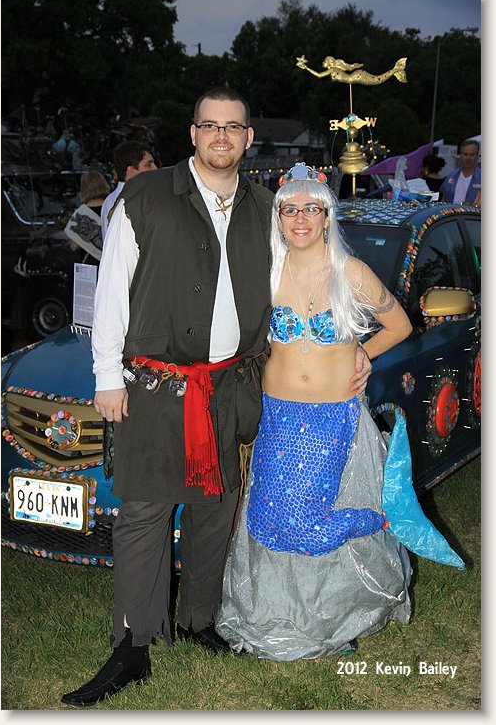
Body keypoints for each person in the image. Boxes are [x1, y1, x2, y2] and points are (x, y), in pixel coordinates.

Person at [60, 91, 372, 707]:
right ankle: (133, 645)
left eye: (233, 127)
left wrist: (354, 342)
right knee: (145, 514)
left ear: (249, 137)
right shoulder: (145, 198)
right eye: (210, 125)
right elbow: (112, 288)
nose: (221, 136)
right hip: (156, 386)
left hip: (231, 388)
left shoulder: (266, 207)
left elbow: (311, 275)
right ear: (193, 132)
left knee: (214, 508)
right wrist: (106, 375)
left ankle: (201, 621)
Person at [216, 162, 414, 660]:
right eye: (290, 209)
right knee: (268, 520)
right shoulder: (267, 272)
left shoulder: (351, 273)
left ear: (327, 216)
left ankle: (369, 530)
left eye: (311, 208)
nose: (300, 218)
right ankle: (280, 613)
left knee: (306, 520)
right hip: (277, 416)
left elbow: (400, 326)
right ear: (279, 218)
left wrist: (364, 353)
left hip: (333, 417)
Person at [100, 141, 158, 241]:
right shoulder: (125, 200)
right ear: (130, 170)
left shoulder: (110, 200)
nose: (155, 168)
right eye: (148, 165)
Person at [64, 170, 110, 263]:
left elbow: (74, 246)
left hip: (91, 265)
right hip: (112, 263)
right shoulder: (113, 208)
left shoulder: (82, 213)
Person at [440, 139, 481, 205]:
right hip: (450, 211)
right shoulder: (452, 175)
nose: (468, 158)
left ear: (477, 155)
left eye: (472, 154)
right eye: (465, 154)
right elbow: (444, 199)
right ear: (460, 155)